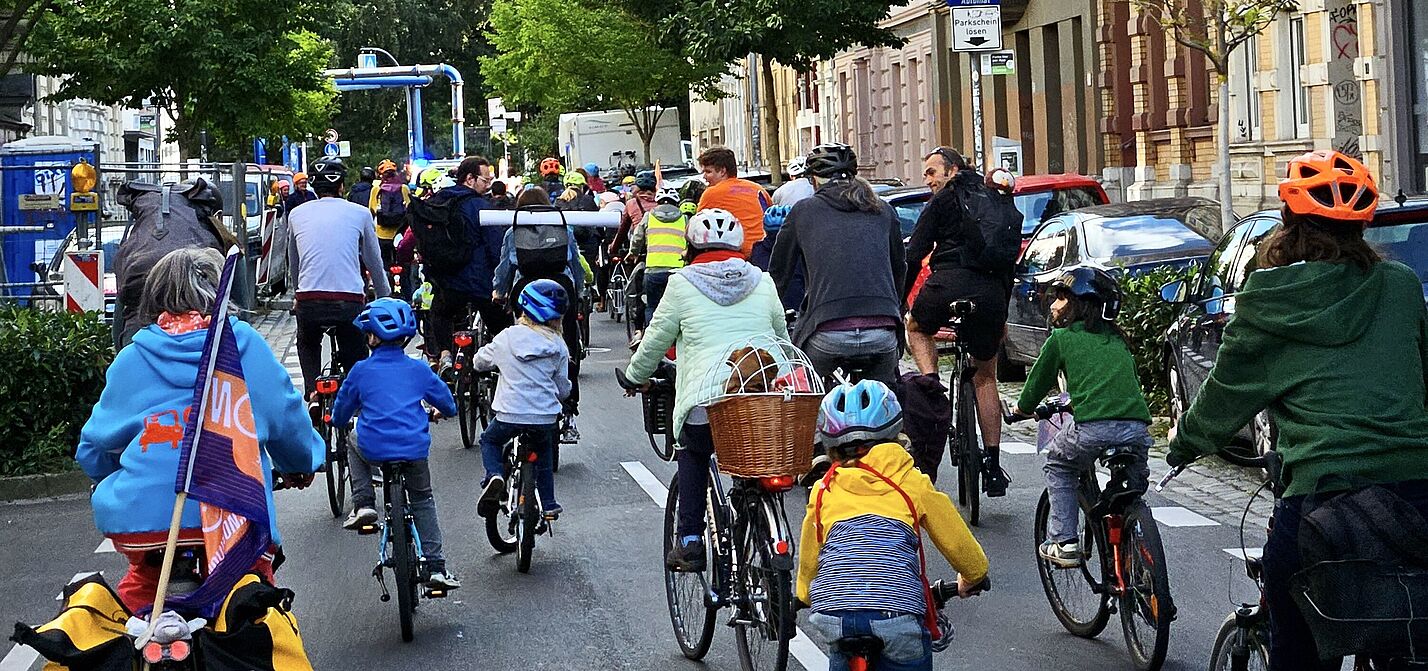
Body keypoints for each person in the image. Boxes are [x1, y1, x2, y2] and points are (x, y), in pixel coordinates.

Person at [1166, 150, 1428, 670]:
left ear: (1288, 220)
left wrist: (1183, 444)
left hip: (1322, 503)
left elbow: (1221, 400)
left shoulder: (1265, 304)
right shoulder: (1399, 286)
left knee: (1298, 644)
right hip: (1418, 497)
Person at [76, 247, 323, 613]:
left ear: (156, 295)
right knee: (254, 599)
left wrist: (110, 474)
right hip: (232, 515)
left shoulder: (134, 356)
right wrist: (302, 462)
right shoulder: (242, 346)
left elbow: (94, 446)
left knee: (138, 597)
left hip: (145, 525)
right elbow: (285, 418)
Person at [623, 209, 789, 570]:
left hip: (707, 402)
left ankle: (691, 540)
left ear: (691, 247)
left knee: (694, 452)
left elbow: (654, 342)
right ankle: (763, 525)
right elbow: (782, 342)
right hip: (760, 398)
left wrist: (636, 377)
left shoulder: (682, 284)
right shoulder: (763, 282)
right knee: (751, 456)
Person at [799, 380, 989, 670]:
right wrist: (973, 575)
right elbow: (958, 542)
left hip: (833, 613)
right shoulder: (911, 482)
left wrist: (803, 593)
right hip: (894, 611)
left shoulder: (823, 490)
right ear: (895, 434)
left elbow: (811, 555)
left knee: (840, 655)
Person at [1008, 267, 1150, 567]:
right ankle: (1133, 533)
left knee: (1059, 462)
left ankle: (1064, 541)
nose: (1054, 304)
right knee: (1129, 485)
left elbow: (1037, 384)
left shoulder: (1062, 339)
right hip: (1137, 428)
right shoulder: (1117, 340)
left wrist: (1021, 410)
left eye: (1061, 297)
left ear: (1078, 305)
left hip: (1093, 430)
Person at [902, 147, 1013, 496]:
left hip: (947, 284)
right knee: (986, 376)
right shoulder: (994, 199)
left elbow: (915, 252)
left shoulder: (942, 201)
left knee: (917, 328)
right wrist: (1002, 306)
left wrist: (899, 296)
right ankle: (993, 465)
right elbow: (1008, 258)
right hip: (991, 292)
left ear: (953, 171)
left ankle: (931, 384)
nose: (929, 180)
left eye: (933, 172)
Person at [331, 298, 461, 590]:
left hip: (374, 449)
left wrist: (343, 420)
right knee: (423, 500)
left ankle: (364, 503)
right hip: (413, 450)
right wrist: (436, 411)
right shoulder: (418, 370)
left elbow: (340, 415)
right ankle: (436, 568)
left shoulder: (360, 371)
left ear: (372, 336)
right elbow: (450, 406)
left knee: (351, 438)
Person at [771, 143, 905, 390]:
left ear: (813, 180)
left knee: (806, 396)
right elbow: (900, 268)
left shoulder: (803, 211)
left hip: (826, 330)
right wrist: (893, 308)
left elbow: (778, 274)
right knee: (886, 395)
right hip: (882, 331)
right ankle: (891, 425)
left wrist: (773, 312)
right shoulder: (883, 210)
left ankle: (817, 423)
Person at [287, 157, 391, 402]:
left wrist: (297, 294)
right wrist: (385, 296)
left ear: (312, 185)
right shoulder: (361, 213)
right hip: (349, 300)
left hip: (309, 300)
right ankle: (354, 401)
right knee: (355, 351)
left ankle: (313, 391)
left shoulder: (296, 214)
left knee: (308, 342)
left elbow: (295, 262)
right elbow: (374, 262)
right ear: (342, 186)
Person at [494, 186, 588, 439]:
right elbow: (575, 264)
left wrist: (499, 291)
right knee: (568, 350)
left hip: (525, 290)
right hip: (561, 289)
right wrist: (578, 292)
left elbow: (505, 267)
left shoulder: (513, 231)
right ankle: (568, 416)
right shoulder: (562, 228)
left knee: (522, 340)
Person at [475, 279, 572, 518]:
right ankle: (548, 504)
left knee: (489, 440)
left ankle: (495, 475)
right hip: (544, 417)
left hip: (510, 414)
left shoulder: (506, 338)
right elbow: (562, 387)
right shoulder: (558, 345)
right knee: (544, 457)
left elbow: (480, 361)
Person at [420, 156, 512, 378]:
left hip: (448, 280)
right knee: (504, 328)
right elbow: (495, 247)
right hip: (480, 283)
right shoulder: (481, 207)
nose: (488, 185)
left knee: (441, 314)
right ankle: (505, 369)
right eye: (485, 179)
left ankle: (445, 356)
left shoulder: (439, 201)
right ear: (470, 178)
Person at [629, 186, 688, 338]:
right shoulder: (685, 218)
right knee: (680, 309)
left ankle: (651, 337)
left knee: (652, 307)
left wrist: (633, 253)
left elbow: (637, 238)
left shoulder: (649, 216)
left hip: (654, 270)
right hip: (678, 272)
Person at [695, 146, 771, 258]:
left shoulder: (712, 193)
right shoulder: (758, 189)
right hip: (765, 251)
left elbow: (698, 227)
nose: (704, 177)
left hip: (737, 254)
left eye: (708, 172)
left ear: (722, 171)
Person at [609, 172, 657, 257]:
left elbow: (623, 230)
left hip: (641, 246)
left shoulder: (631, 203)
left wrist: (613, 248)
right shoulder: (660, 202)